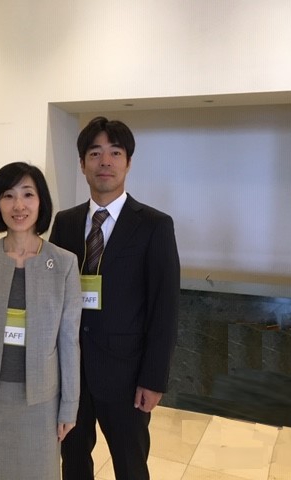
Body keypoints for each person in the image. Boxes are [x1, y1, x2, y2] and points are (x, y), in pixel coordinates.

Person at [50, 116, 180, 480]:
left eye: (115, 153)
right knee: (73, 463)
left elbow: (165, 308)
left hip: (127, 377)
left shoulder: (154, 225)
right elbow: (52, 297)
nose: (104, 161)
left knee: (130, 466)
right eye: (95, 153)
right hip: (71, 373)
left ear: (128, 162)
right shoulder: (65, 222)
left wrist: (154, 379)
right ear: (82, 164)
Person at [0, 161, 82, 480]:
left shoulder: (64, 263)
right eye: (8, 195)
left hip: (41, 402)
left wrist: (70, 405)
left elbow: (69, 340)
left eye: (27, 194)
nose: (18, 205)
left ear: (41, 202)